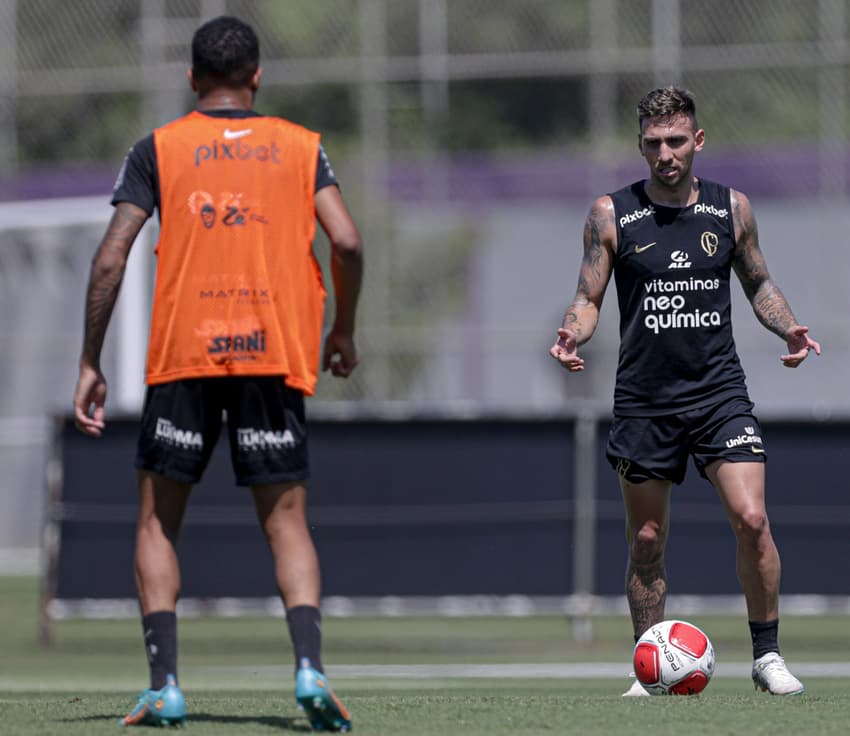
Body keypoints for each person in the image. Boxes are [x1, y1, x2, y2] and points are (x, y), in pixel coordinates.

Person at [73, 16, 362, 731]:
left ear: (193, 78)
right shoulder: (301, 148)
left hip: (185, 356)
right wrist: (343, 329)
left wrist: (90, 360)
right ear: (257, 77)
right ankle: (307, 668)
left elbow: (112, 256)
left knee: (157, 523)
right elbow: (348, 239)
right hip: (272, 353)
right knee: (286, 523)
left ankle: (165, 685)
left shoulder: (159, 149)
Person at [549, 86, 820, 697]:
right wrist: (572, 335)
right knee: (647, 541)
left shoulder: (732, 209)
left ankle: (767, 657)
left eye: (676, 141)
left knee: (752, 519)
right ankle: (647, 669)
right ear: (641, 146)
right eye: (653, 143)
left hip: (718, 392)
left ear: (697, 141)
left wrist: (790, 326)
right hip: (645, 400)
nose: (665, 153)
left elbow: (760, 284)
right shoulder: (611, 214)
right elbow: (589, 298)